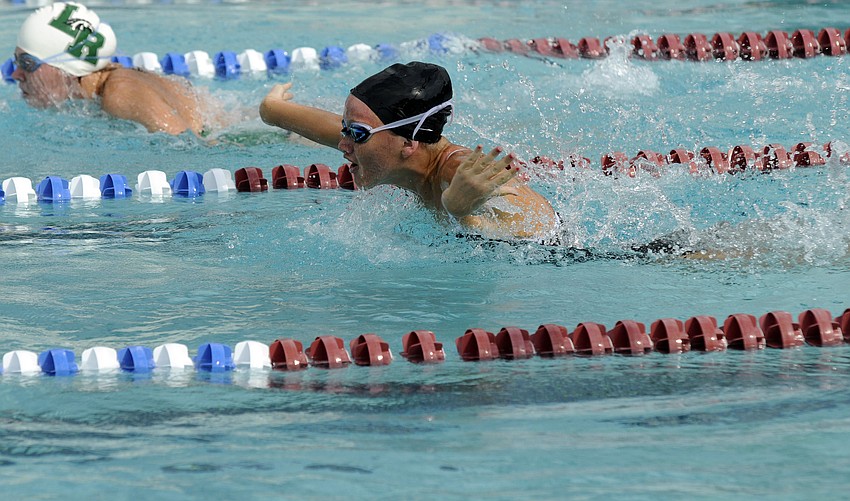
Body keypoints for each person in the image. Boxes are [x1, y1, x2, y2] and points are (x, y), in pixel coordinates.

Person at [259, 61, 558, 240]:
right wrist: (273, 110)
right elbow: (333, 128)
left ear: (408, 143)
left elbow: (545, 231)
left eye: (358, 133)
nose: (342, 144)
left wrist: (464, 215)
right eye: (345, 129)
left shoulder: (458, 170)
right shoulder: (393, 144)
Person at [12, 1, 205, 135]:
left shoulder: (122, 93)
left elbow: (188, 147)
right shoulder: (102, 93)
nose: (16, 74)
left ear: (66, 68)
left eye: (27, 63)